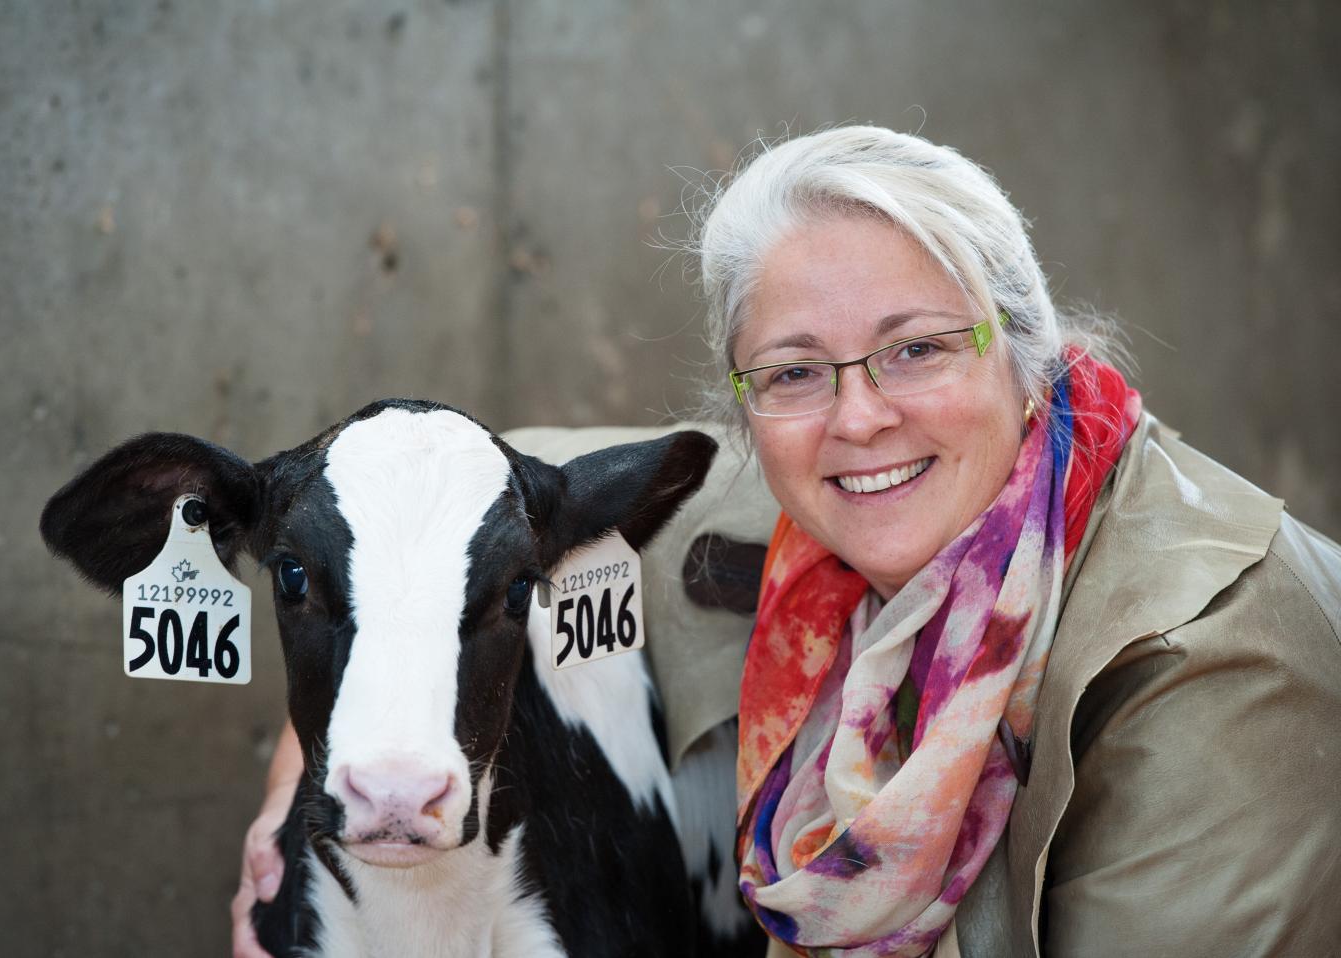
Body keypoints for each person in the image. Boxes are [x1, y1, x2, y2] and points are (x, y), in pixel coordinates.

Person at [234, 126, 1341, 957]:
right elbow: (428, 504)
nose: (858, 418)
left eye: (918, 349)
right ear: (745, 405)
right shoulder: (818, 512)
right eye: (795, 371)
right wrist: (320, 774)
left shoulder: (1216, 658)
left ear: (1028, 350)